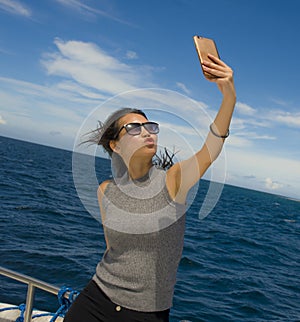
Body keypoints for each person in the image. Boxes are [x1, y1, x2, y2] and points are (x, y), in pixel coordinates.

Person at [64, 53, 236, 322]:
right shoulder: (105, 190)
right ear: (115, 145)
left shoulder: (173, 180)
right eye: (134, 128)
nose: (146, 132)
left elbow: (210, 149)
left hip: (145, 312)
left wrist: (229, 97)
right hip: (96, 298)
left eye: (149, 127)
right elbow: (114, 249)